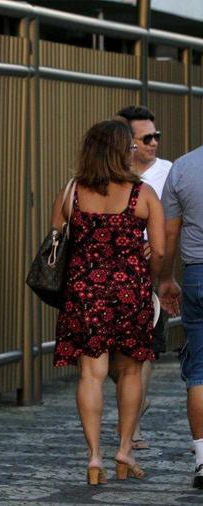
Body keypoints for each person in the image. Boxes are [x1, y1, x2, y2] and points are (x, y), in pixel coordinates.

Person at [51, 119, 164, 485]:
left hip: (84, 293)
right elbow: (160, 250)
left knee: (90, 375)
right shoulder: (143, 194)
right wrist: (148, 269)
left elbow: (55, 240)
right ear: (122, 151)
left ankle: (95, 457)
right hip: (130, 291)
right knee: (130, 371)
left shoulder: (72, 192)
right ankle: (124, 449)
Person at [109, 105, 171, 450]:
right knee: (113, 361)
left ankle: (132, 426)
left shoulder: (169, 173)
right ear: (127, 142)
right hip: (106, 276)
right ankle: (135, 402)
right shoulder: (107, 175)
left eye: (156, 136)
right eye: (146, 138)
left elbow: (174, 222)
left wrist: (160, 258)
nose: (153, 143)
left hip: (146, 273)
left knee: (142, 350)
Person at [158, 141, 203, 489]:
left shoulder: (183, 168)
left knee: (200, 369)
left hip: (197, 275)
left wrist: (165, 277)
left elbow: (169, 232)